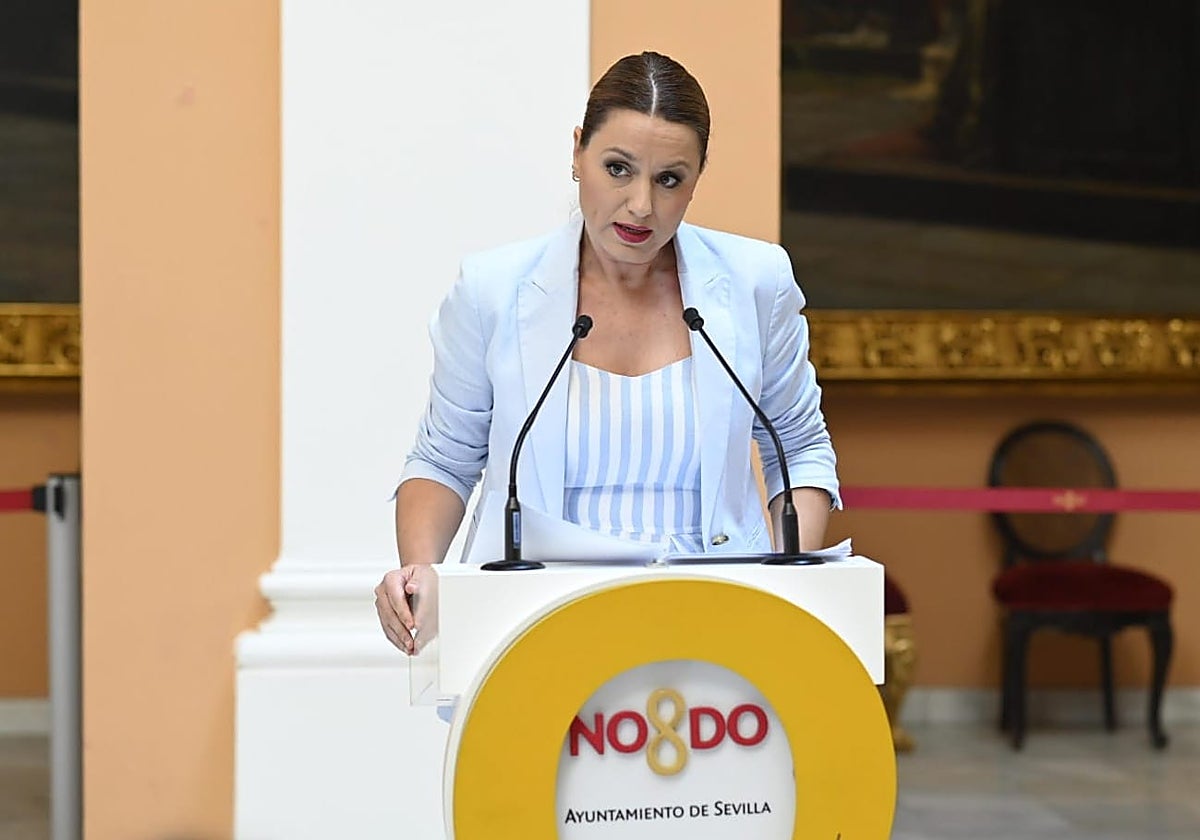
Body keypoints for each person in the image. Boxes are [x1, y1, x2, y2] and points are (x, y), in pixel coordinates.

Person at [375, 51, 840, 654]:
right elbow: (444, 459)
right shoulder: (493, 290)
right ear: (577, 153)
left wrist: (788, 584)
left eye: (669, 179)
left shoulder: (755, 281)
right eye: (618, 168)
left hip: (716, 628)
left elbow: (799, 449)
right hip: (535, 627)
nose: (641, 205)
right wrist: (419, 572)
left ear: (698, 176)